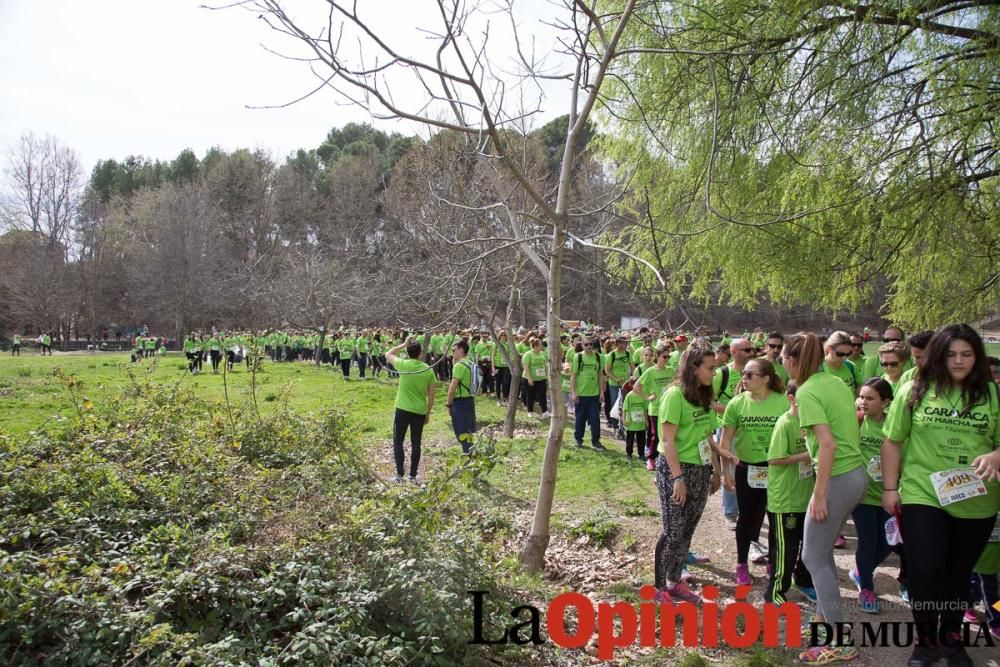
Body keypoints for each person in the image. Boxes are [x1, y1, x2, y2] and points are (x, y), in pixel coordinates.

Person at [882, 324, 1000, 666]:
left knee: (958, 573)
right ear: (938, 356)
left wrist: (995, 455)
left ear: (976, 358)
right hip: (924, 493)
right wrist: (890, 488)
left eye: (966, 354)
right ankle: (926, 642)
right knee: (926, 567)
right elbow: (892, 440)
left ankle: (951, 640)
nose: (959, 361)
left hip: (976, 498)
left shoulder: (991, 395)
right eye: (951, 355)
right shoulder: (916, 389)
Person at [782, 332, 866, 665]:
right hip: (854, 475)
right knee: (823, 555)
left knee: (814, 558)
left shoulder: (807, 391)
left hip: (837, 478)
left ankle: (840, 640)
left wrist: (819, 494)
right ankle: (822, 623)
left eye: (783, 358)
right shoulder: (834, 381)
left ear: (791, 360)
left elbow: (827, 446)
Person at [653, 345, 727, 603]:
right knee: (673, 530)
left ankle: (674, 582)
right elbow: (668, 440)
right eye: (710, 368)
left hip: (701, 469)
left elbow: (708, 436)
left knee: (687, 531)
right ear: (694, 368)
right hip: (677, 469)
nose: (714, 373)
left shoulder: (705, 396)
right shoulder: (674, 396)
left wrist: (716, 470)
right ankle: (659, 588)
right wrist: (678, 479)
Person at [719, 358, 789, 586]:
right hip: (746, 468)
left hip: (777, 470)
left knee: (775, 519)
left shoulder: (783, 403)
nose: (744, 378)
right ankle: (741, 564)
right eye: (744, 374)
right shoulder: (737, 403)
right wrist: (725, 471)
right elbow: (726, 439)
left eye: (750, 374)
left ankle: (773, 563)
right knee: (746, 519)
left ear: (766, 378)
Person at [765, 381, 817, 605]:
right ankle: (775, 592)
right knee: (786, 549)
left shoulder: (812, 422)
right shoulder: (785, 423)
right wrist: (806, 455)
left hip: (806, 497)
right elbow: (774, 459)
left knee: (809, 545)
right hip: (784, 499)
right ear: (791, 398)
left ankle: (803, 580)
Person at [851, 377, 895, 614]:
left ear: (885, 401)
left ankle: (860, 570)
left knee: (889, 542)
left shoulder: (894, 426)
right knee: (867, 542)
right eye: (861, 396)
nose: (863, 402)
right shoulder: (856, 422)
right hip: (862, 495)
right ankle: (866, 587)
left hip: (888, 494)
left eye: (870, 398)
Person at [713, 337, 754, 530]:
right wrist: (732, 409)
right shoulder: (723, 373)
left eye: (752, 349)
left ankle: (748, 508)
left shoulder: (754, 371)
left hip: (750, 427)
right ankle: (731, 512)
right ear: (734, 352)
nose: (751, 353)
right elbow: (709, 401)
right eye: (746, 350)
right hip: (727, 427)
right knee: (730, 468)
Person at [387, 338, 436, 483]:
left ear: (407, 352)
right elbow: (431, 394)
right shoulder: (428, 369)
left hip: (402, 408)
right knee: (416, 443)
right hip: (419, 411)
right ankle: (413, 476)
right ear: (421, 353)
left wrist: (403, 344)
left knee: (398, 441)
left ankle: (399, 475)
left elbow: (388, 354)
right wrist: (428, 412)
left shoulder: (403, 364)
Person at [633, 346, 676, 468]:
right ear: (657, 357)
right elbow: (636, 386)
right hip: (655, 409)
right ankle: (651, 458)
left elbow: (676, 384)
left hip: (669, 408)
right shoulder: (650, 371)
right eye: (664, 356)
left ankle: (665, 458)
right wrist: (647, 397)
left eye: (669, 356)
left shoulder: (671, 370)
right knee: (655, 435)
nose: (667, 359)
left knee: (668, 435)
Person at [570, 336, 605, 450]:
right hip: (581, 394)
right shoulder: (578, 357)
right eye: (586, 344)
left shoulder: (599, 357)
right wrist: (574, 393)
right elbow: (573, 376)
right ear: (582, 345)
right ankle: (578, 439)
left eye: (591, 344)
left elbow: (600, 375)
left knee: (595, 419)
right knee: (580, 419)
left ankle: (596, 441)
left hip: (594, 394)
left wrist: (601, 392)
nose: (589, 346)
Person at [446, 339, 477, 454]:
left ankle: (468, 460)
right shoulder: (470, 362)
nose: (452, 353)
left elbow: (452, 389)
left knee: (461, 433)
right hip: (469, 400)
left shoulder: (459, 366)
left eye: (454, 350)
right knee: (468, 432)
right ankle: (471, 455)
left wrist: (448, 404)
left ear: (461, 350)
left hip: (459, 403)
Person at [605, 336, 634, 432]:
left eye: (626, 343)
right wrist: (615, 378)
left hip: (626, 383)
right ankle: (615, 425)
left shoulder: (627, 354)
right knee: (615, 403)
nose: (626, 345)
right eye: (624, 343)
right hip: (614, 384)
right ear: (618, 344)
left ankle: (624, 425)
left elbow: (632, 367)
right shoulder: (612, 355)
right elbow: (607, 370)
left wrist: (633, 377)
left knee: (625, 404)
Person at [821, 330, 863, 395]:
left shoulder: (850, 366)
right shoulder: (818, 369)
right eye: (840, 354)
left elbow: (859, 388)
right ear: (829, 348)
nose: (844, 358)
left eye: (848, 354)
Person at [521, 337, 549, 417]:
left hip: (541, 378)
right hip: (529, 378)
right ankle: (530, 411)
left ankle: (545, 411)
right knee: (530, 395)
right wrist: (529, 378)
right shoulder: (528, 354)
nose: (542, 346)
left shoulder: (542, 354)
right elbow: (525, 367)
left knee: (542, 395)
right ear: (535, 346)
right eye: (540, 345)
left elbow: (545, 365)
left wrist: (546, 375)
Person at [622, 381, 647, 461]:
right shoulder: (629, 396)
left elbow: (645, 409)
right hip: (631, 424)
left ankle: (641, 454)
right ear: (632, 385)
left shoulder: (642, 395)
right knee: (630, 440)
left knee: (641, 440)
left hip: (641, 423)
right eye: (635, 384)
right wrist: (624, 419)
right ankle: (629, 454)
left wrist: (646, 420)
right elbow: (624, 409)